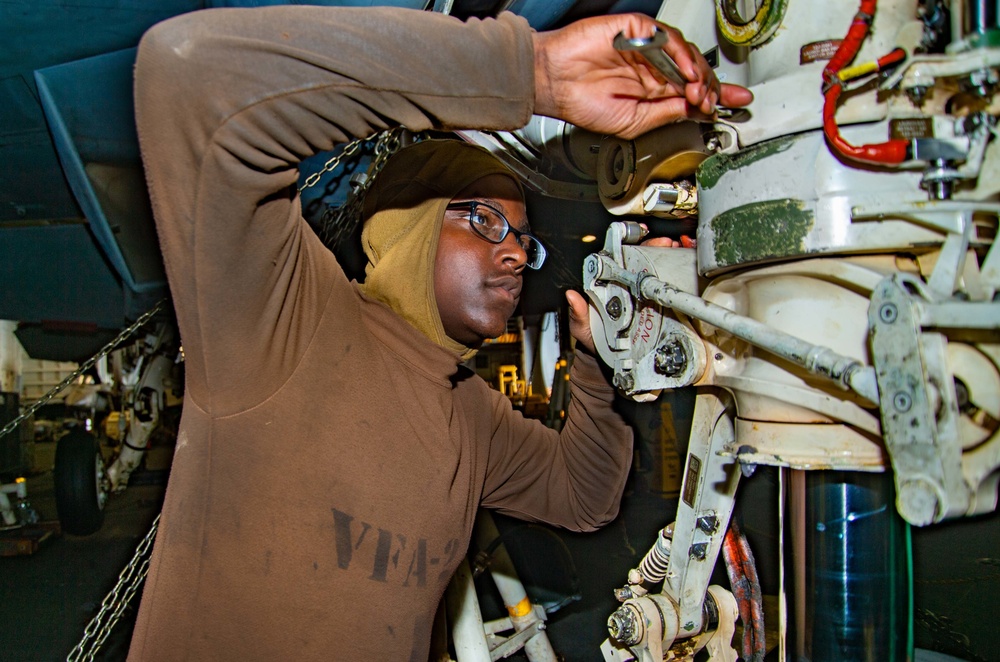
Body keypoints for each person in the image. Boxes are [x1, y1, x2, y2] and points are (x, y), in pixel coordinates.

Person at [129, 5, 752, 660]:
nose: (515, 255)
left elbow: (584, 493)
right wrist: (530, 73)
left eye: (523, 239)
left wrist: (597, 362)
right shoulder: (287, 318)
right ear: (409, 228)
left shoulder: (469, 410)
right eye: (483, 220)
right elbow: (193, 73)